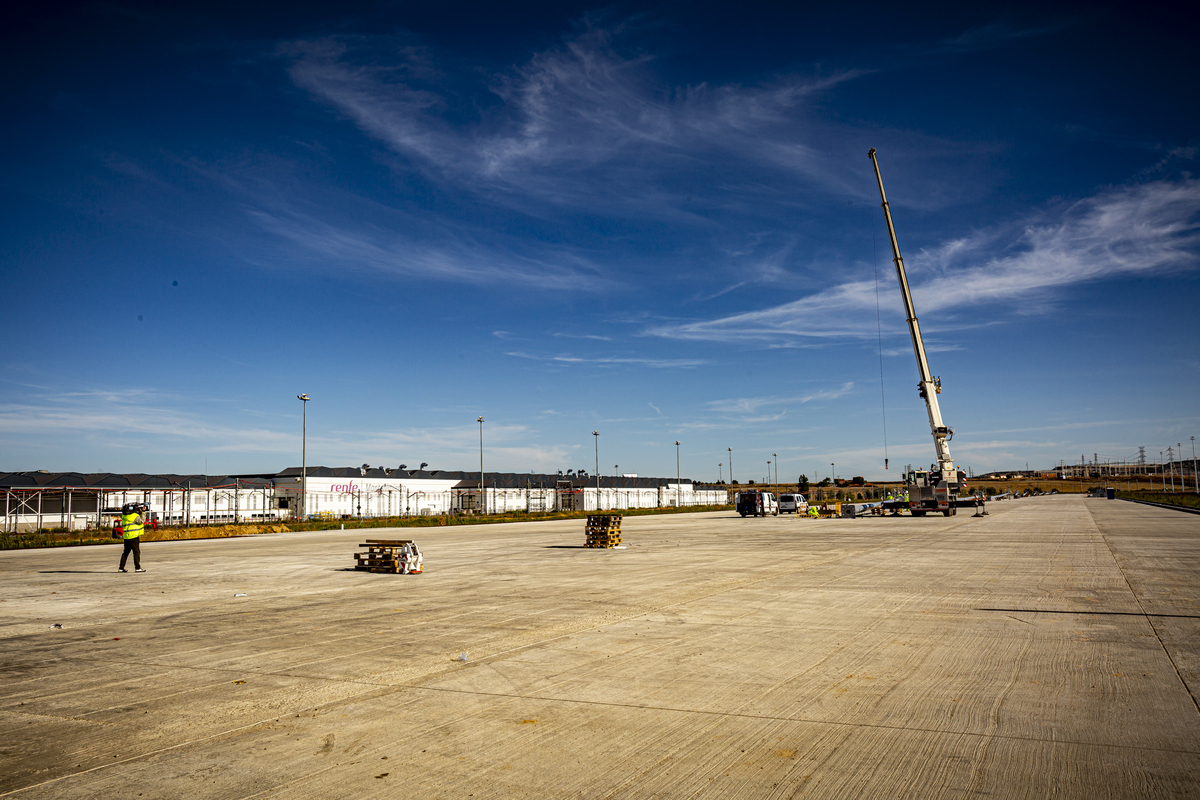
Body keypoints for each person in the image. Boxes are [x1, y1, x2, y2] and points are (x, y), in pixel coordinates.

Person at [118, 503, 148, 573]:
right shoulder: (134, 516)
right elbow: (141, 520)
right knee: (136, 552)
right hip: (134, 537)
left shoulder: (124, 516)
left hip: (127, 537)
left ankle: (121, 568)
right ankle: (137, 568)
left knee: (125, 553)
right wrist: (143, 512)